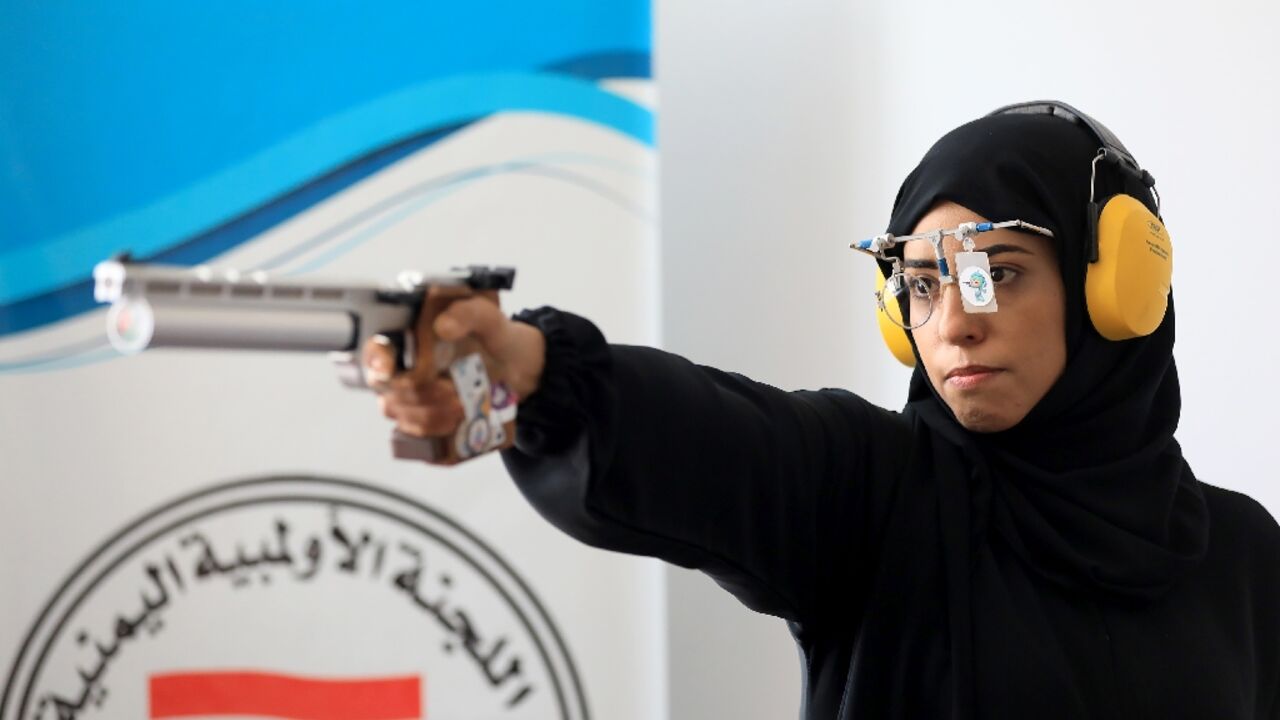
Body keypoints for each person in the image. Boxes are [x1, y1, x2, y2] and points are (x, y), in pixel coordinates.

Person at [367, 101, 1280, 719]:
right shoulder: (876, 494)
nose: (952, 324)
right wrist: (525, 370)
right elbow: (715, 440)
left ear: (1115, 288)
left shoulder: (1245, 557)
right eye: (920, 285)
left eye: (995, 274)